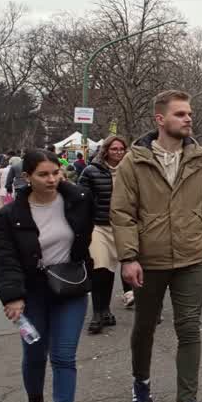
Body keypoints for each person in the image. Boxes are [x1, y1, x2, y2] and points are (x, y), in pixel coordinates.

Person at [110, 90, 202, 402]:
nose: (188, 119)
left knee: (189, 328)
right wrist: (129, 257)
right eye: (180, 114)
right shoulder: (134, 161)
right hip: (150, 259)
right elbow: (122, 213)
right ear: (160, 120)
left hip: (191, 257)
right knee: (145, 325)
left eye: (189, 113)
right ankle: (141, 382)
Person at [0, 149, 94, 402]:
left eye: (55, 173)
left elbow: (94, 230)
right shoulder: (10, 215)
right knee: (35, 353)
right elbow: (6, 258)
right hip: (31, 293)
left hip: (70, 288)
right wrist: (12, 297)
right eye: (43, 174)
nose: (52, 179)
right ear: (27, 177)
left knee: (64, 356)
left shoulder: (78, 200)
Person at [78, 135, 127, 333]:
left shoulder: (130, 171)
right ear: (106, 150)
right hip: (99, 226)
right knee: (100, 268)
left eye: (121, 149)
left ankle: (106, 310)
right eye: (114, 149)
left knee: (112, 271)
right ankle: (98, 312)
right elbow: (81, 198)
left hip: (123, 227)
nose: (118, 152)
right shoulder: (91, 171)